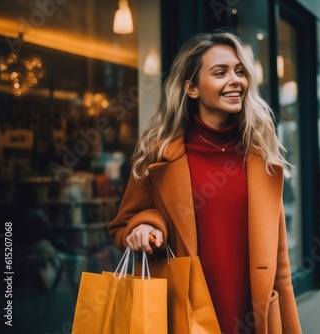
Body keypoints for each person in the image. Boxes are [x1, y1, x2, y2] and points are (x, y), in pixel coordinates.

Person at [108, 30, 302, 333]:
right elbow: (123, 225)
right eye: (220, 72)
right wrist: (146, 224)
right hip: (184, 314)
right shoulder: (160, 157)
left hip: (254, 315)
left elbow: (280, 269)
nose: (235, 80)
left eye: (240, 71)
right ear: (192, 88)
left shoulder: (261, 158)